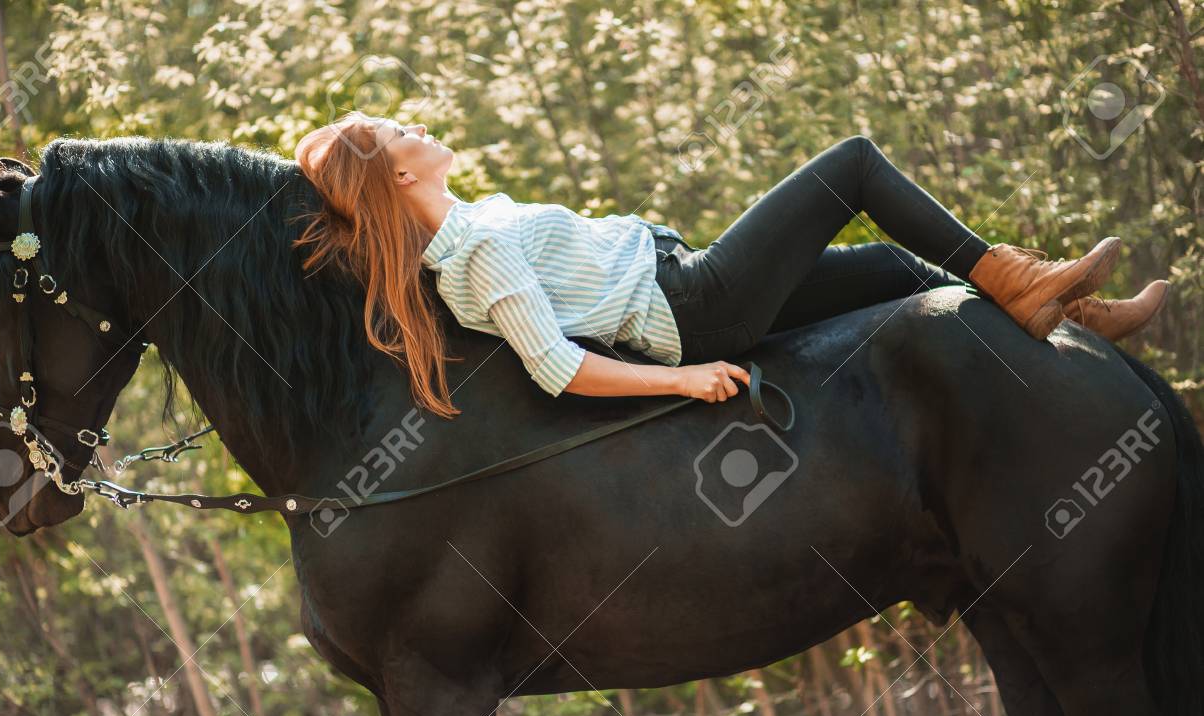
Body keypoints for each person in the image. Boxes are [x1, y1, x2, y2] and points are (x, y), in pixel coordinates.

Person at [293, 111, 1169, 414]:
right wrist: (682, 380)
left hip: (687, 281)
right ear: (400, 174)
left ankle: (1065, 312)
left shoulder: (475, 220)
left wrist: (324, 151)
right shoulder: (475, 252)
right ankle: (1019, 279)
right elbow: (555, 368)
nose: (415, 127)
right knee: (853, 165)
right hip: (693, 306)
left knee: (893, 272)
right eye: (396, 133)